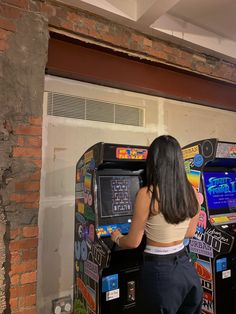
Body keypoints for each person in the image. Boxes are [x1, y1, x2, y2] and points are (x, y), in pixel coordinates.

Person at [111, 135, 203, 314]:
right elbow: (190, 232)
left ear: (154, 161)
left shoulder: (147, 194)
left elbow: (133, 242)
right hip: (186, 269)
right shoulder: (192, 191)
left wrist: (116, 237)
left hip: (160, 272)